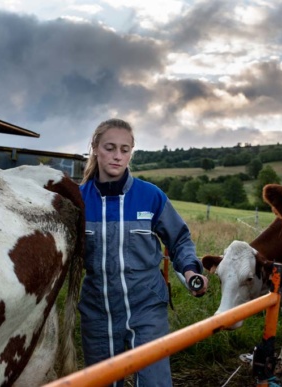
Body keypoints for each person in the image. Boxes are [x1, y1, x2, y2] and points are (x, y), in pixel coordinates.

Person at [78, 118, 208, 387]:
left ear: (131, 152)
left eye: (124, 150)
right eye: (110, 148)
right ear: (95, 148)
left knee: (154, 383)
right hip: (98, 311)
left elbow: (180, 240)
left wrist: (190, 269)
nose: (117, 156)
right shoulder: (78, 200)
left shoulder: (151, 196)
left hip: (146, 306)